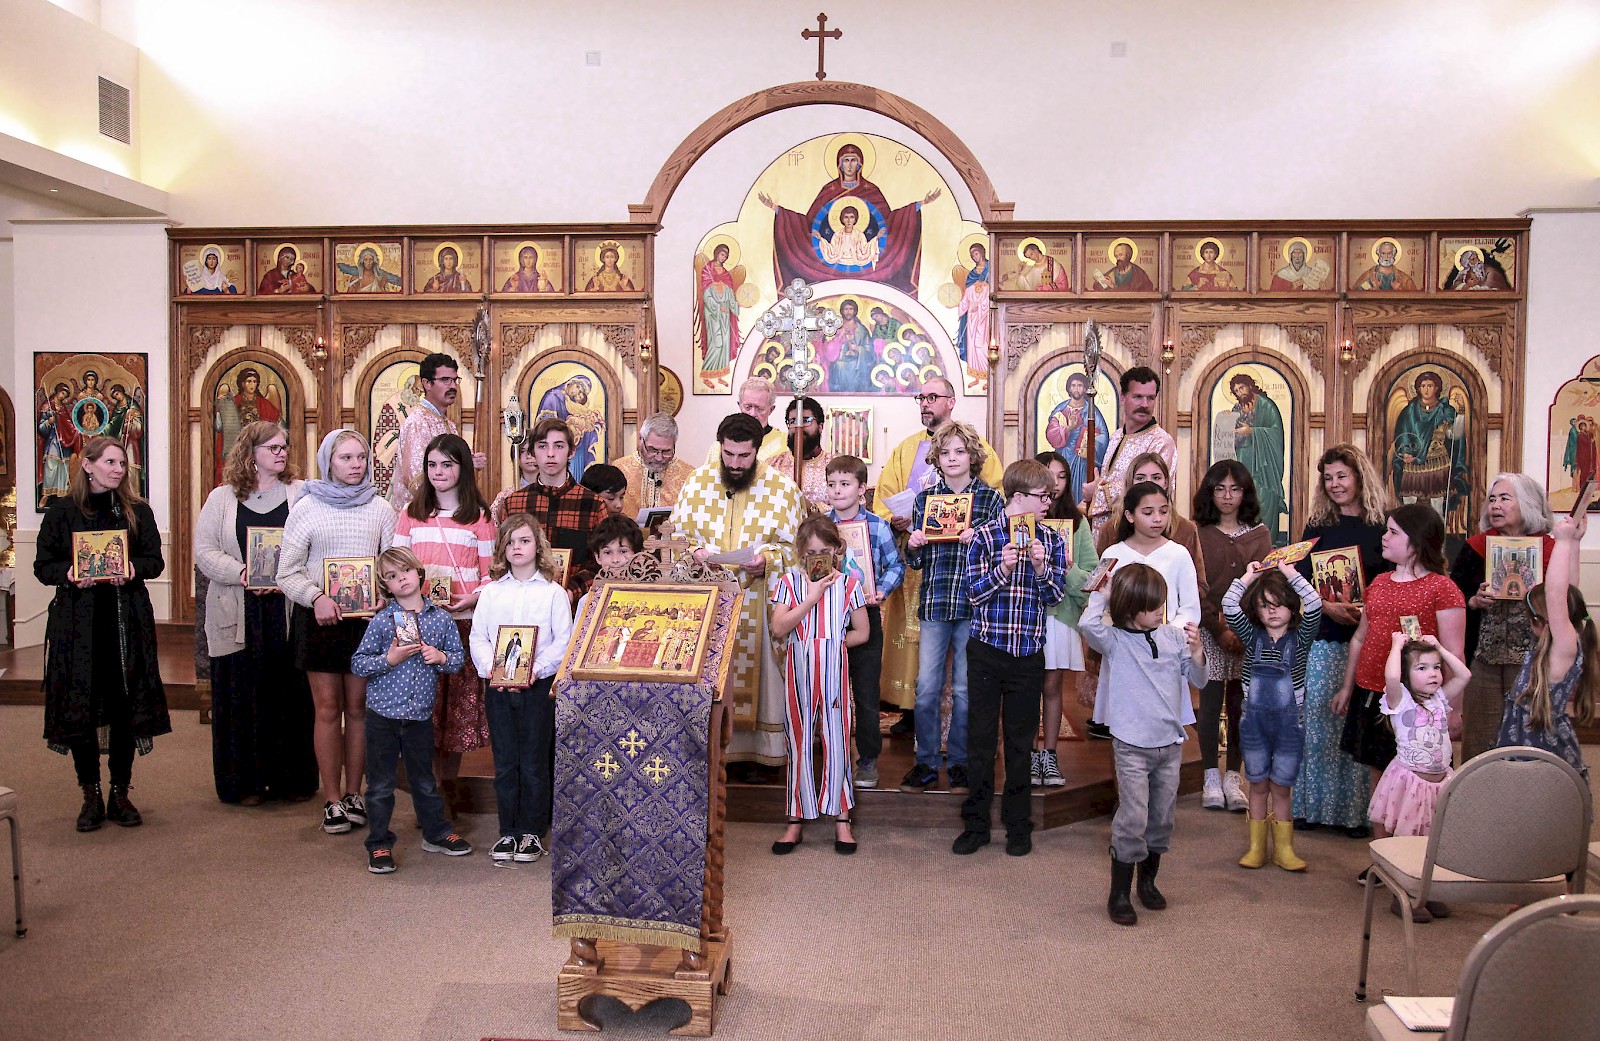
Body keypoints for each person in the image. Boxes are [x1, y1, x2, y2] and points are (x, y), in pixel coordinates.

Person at [35, 436, 168, 831]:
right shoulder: (62, 512)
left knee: (125, 705)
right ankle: (90, 793)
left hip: (126, 622)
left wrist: (132, 569)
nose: (118, 470)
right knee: (82, 706)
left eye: (122, 464)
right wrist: (70, 574)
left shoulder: (137, 511)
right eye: (110, 462)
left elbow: (154, 561)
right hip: (77, 625)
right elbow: (43, 567)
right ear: (87, 465)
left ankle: (120, 792)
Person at [277, 429, 398, 836]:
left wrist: (384, 596)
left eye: (361, 457)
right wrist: (315, 597)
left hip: (366, 623)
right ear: (327, 461)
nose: (355, 464)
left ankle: (353, 793)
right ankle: (331, 800)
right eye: (345, 457)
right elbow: (286, 572)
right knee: (328, 709)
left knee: (359, 709)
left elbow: (392, 566)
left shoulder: (381, 508)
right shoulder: (307, 507)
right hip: (320, 621)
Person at [670, 412, 805, 771]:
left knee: (761, 680)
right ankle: (708, 751)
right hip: (707, 601)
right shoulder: (696, 484)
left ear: (757, 450)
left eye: (743, 456)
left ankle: (757, 756)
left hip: (758, 600)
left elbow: (796, 549)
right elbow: (676, 536)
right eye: (728, 454)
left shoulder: (782, 490)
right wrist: (696, 553)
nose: (734, 463)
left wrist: (767, 561)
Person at [194, 421, 317, 805]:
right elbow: (204, 551)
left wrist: (289, 577)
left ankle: (290, 781)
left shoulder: (301, 493)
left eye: (284, 447)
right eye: (273, 447)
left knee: (289, 696)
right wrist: (243, 573)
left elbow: (315, 545)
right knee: (240, 696)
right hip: (237, 611)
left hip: (287, 610)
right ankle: (244, 782)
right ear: (251, 453)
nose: (282, 453)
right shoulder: (221, 498)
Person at [873, 377, 1004, 732]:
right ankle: (911, 712)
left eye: (933, 397)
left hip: (968, 580)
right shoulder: (905, 449)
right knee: (924, 671)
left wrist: (976, 532)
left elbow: (996, 501)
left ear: (951, 401)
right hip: (924, 572)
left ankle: (961, 741)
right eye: (921, 397)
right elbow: (884, 497)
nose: (925, 403)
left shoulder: (979, 448)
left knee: (964, 677)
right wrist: (898, 521)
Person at [1078, 563, 1206, 926]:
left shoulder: (1174, 637)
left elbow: (1198, 679)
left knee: (1162, 817)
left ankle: (1147, 882)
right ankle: (1119, 892)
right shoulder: (1115, 641)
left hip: (1170, 746)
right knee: (1133, 816)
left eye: (1161, 603)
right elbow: (1087, 627)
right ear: (1131, 608)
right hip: (1132, 746)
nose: (1160, 611)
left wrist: (1198, 653)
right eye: (1152, 606)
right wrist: (1102, 598)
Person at [954, 459, 1070, 857]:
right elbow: (973, 594)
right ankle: (976, 824)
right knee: (981, 740)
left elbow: (1055, 596)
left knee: (1021, 743)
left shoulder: (1051, 540)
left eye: (1050, 497)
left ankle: (1019, 824)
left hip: (1028, 654)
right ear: (1018, 497)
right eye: (1043, 497)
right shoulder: (984, 537)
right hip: (987, 651)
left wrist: (1040, 567)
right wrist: (1003, 569)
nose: (1048, 504)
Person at [350, 548, 471, 873]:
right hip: (382, 716)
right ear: (386, 585)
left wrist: (441, 657)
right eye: (391, 576)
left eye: (405, 571)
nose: (400, 578)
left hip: (419, 716)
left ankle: (436, 832)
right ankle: (378, 843)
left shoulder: (441, 619)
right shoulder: (382, 621)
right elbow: (358, 663)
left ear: (419, 573)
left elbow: (458, 660)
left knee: (425, 780)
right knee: (380, 784)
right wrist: (388, 660)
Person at [1292, 444, 1392, 836]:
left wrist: (1366, 609)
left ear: (1359, 478)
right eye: (1328, 478)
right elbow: (1299, 579)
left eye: (1342, 476)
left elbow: (1391, 579)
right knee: (1319, 718)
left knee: (1357, 724)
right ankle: (1313, 808)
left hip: (1370, 638)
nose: (1335, 484)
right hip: (1324, 634)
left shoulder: (1383, 527)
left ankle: (1353, 815)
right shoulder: (1318, 526)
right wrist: (1324, 605)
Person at [393, 433, 496, 812]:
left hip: (460, 625)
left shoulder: (480, 518)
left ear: (463, 468)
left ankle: (445, 791)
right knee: (423, 713)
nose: (438, 472)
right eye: (432, 465)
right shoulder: (410, 514)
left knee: (454, 715)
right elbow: (395, 568)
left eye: (447, 465)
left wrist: (473, 597)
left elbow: (491, 575)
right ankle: (427, 791)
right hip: (417, 625)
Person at [901, 421, 1005, 794]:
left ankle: (960, 762)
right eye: (945, 453)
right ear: (937, 458)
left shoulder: (991, 500)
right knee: (927, 687)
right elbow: (915, 563)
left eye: (960, 451)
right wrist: (914, 544)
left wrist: (981, 540)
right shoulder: (925, 500)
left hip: (975, 606)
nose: (953, 458)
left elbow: (1002, 558)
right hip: (936, 601)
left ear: (972, 456)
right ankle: (927, 761)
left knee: (964, 689)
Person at [1334, 504, 1466, 796]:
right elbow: (1359, 639)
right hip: (1373, 693)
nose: (1384, 537)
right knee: (1378, 774)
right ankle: (1382, 826)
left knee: (1419, 776)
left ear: (1416, 542)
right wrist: (1347, 687)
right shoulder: (1379, 583)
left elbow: (1454, 654)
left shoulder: (1442, 588)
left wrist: (1454, 709)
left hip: (1419, 701)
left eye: (1393, 532)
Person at [471, 514, 575, 865]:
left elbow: (562, 641)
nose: (517, 547)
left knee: (533, 761)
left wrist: (535, 670)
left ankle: (531, 831)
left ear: (538, 546)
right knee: (505, 761)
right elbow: (479, 636)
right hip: (498, 688)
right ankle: (508, 830)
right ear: (502, 548)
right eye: (510, 542)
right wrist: (491, 669)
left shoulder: (552, 593)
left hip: (537, 688)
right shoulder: (491, 593)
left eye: (525, 541)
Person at [769, 514, 869, 855]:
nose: (818, 559)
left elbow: (863, 632)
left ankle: (842, 818)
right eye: (811, 553)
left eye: (824, 551)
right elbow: (779, 628)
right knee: (798, 741)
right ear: (801, 553)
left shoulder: (849, 585)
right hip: (799, 670)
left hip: (833, 672)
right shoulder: (789, 583)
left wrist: (832, 644)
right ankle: (795, 818)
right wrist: (811, 597)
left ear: (837, 550)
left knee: (837, 740)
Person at [1450, 473, 1556, 762]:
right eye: (1492, 499)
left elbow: (1566, 601)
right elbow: (1453, 596)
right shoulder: (1475, 547)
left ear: (1527, 503)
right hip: (1483, 658)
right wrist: (1473, 600)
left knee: (1528, 737)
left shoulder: (1550, 549)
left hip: (1532, 659)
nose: (1495, 505)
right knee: (1479, 739)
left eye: (1505, 499)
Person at [1224, 563, 1322, 872]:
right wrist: (1250, 576)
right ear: (1256, 609)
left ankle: (1284, 849)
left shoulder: (1301, 637)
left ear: (1292, 606)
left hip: (1290, 726)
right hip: (1254, 725)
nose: (1272, 611)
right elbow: (1229, 604)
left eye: (1279, 603)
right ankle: (1256, 848)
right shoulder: (1252, 637)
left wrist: (1290, 573)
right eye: (1265, 605)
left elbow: (1315, 603)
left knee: (1281, 788)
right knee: (1257, 785)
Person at [1370, 634, 1471, 920]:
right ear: (1406, 675)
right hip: (1411, 783)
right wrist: (1396, 646)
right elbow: (1391, 676)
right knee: (1408, 839)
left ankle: (1428, 890)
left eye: (1436, 667)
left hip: (1440, 784)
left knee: (1434, 840)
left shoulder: (1440, 699)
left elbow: (1464, 674)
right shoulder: (1400, 701)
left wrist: (1440, 648)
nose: (1433, 674)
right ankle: (1404, 894)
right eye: (1422, 668)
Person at [1193, 460, 1273, 812]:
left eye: (1235, 489)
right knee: (1210, 704)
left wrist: (1243, 627)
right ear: (1210, 493)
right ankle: (1210, 775)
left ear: (1245, 493)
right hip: (1209, 628)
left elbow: (1266, 586)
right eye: (1220, 489)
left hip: (1249, 632)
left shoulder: (1260, 535)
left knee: (1242, 705)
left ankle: (1233, 776)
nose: (1227, 496)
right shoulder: (1198, 533)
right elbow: (1196, 587)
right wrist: (1218, 628)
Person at [758, 141, 938, 294]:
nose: (850, 165)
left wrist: (920, 204)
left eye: (853, 160)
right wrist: (777, 209)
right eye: (846, 160)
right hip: (830, 263)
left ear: (860, 164)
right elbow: (808, 223)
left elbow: (890, 220)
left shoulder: (871, 190)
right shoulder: (829, 190)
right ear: (839, 164)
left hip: (863, 261)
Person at [1496, 512, 1597, 777]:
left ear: (1540, 620)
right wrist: (1574, 543)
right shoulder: (1559, 642)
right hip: (1523, 744)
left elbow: (1556, 594)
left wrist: (1561, 542)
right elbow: (1569, 591)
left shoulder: (1564, 647)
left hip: (1542, 750)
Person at [824, 454, 903, 791]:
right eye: (832, 484)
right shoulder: (821, 527)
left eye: (845, 484)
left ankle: (868, 759)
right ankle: (833, 754)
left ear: (861, 489)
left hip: (866, 615)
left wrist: (880, 590)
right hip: (829, 617)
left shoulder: (877, 526)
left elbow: (896, 565)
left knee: (866, 692)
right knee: (830, 690)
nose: (837, 490)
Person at [1031, 452, 1098, 786]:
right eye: (1047, 475)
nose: (1054, 484)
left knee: (1052, 686)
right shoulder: (1022, 517)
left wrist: (1068, 567)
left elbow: (1092, 577)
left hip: (1059, 615)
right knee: (1027, 687)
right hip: (1025, 615)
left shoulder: (1077, 521)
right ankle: (1029, 755)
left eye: (1061, 476)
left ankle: (1050, 755)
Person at [499, 418, 609, 600]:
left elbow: (601, 563)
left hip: (573, 602)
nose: (550, 454)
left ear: (571, 452)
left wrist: (572, 591)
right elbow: (502, 557)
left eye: (558, 446)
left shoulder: (593, 504)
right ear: (532, 453)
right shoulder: (514, 503)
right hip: (523, 600)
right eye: (542, 446)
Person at [1083, 366, 1176, 541]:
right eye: (1138, 397)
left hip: (1133, 535)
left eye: (1150, 398)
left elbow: (1148, 489)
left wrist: (1097, 492)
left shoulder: (1161, 441)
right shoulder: (1117, 436)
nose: (1145, 405)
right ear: (1123, 398)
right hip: (1103, 533)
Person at [389, 353, 486, 511]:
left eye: (455, 380)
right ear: (427, 383)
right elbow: (415, 480)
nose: (453, 386)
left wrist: (470, 464)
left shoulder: (449, 425)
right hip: (421, 515)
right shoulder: (418, 423)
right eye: (445, 380)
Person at [1391, 370, 1468, 522]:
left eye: (1430, 386)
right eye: (1423, 386)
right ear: (1418, 388)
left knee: (1437, 506)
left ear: (1437, 388)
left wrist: (1461, 412)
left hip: (1437, 461)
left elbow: (1454, 435)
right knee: (1410, 505)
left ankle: (1438, 536)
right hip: (1413, 462)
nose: (1426, 390)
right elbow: (1403, 433)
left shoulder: (1444, 410)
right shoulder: (1409, 411)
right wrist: (1405, 452)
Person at [1223, 374, 1287, 544]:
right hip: (1244, 461)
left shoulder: (1266, 406)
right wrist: (1227, 420)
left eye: (1242, 388)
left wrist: (1253, 431)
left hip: (1265, 465)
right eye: (1236, 391)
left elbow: (1276, 433)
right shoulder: (1237, 408)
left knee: (1264, 499)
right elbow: (1232, 435)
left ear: (1250, 386)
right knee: (1245, 500)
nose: (1240, 392)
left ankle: (1268, 544)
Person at [1044, 372, 1109, 507]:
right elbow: (1051, 433)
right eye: (1073, 385)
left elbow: (1103, 435)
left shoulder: (1091, 410)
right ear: (1069, 388)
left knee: (1081, 489)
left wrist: (1089, 443)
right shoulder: (1061, 410)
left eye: (1080, 385)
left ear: (1084, 388)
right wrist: (1068, 428)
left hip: (1083, 459)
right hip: (1064, 456)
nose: (1076, 389)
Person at [615, 413, 695, 519]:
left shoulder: (689, 476)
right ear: (640, 439)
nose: (659, 458)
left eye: (666, 451)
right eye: (652, 450)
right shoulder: (618, 469)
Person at [702, 378, 790, 466]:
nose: (752, 414)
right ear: (739, 405)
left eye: (759, 409)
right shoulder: (721, 444)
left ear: (771, 409)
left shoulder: (786, 443)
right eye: (748, 407)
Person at [536, 375, 605, 483]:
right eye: (577, 387)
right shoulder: (553, 397)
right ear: (570, 382)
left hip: (575, 449)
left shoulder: (575, 405)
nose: (577, 393)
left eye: (581, 392)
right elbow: (544, 430)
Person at [697, 242, 741, 387]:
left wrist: (737, 305)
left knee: (725, 344)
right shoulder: (707, 270)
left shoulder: (726, 274)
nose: (723, 258)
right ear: (717, 253)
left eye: (726, 256)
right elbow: (706, 295)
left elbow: (731, 296)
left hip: (725, 316)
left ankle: (720, 375)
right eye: (722, 254)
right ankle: (706, 375)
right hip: (713, 315)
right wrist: (717, 307)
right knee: (717, 343)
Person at [782, 396, 830, 504]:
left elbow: (852, 506)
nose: (798, 427)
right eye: (793, 421)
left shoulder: (837, 465)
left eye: (805, 420)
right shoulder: (773, 465)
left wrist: (814, 509)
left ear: (820, 426)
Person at [955, 242, 991, 384]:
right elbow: (967, 295)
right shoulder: (972, 274)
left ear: (982, 253)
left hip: (985, 315)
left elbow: (994, 293)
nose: (975, 257)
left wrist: (980, 304)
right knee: (972, 345)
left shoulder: (991, 269)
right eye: (972, 256)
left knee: (982, 343)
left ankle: (989, 376)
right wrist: (960, 307)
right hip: (972, 317)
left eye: (976, 254)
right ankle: (976, 376)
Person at [490, 440, 541, 523]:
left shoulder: (552, 492)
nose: (529, 456)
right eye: (522, 451)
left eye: (532, 450)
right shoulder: (505, 497)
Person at [1352, 239, 1419, 291]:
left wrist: (1398, 289)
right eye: (1383, 253)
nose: (1386, 257)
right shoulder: (1370, 275)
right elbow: (1357, 292)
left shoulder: (1403, 278)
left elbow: (1413, 295)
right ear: (1378, 254)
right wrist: (1374, 288)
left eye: (1389, 253)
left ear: (1394, 255)